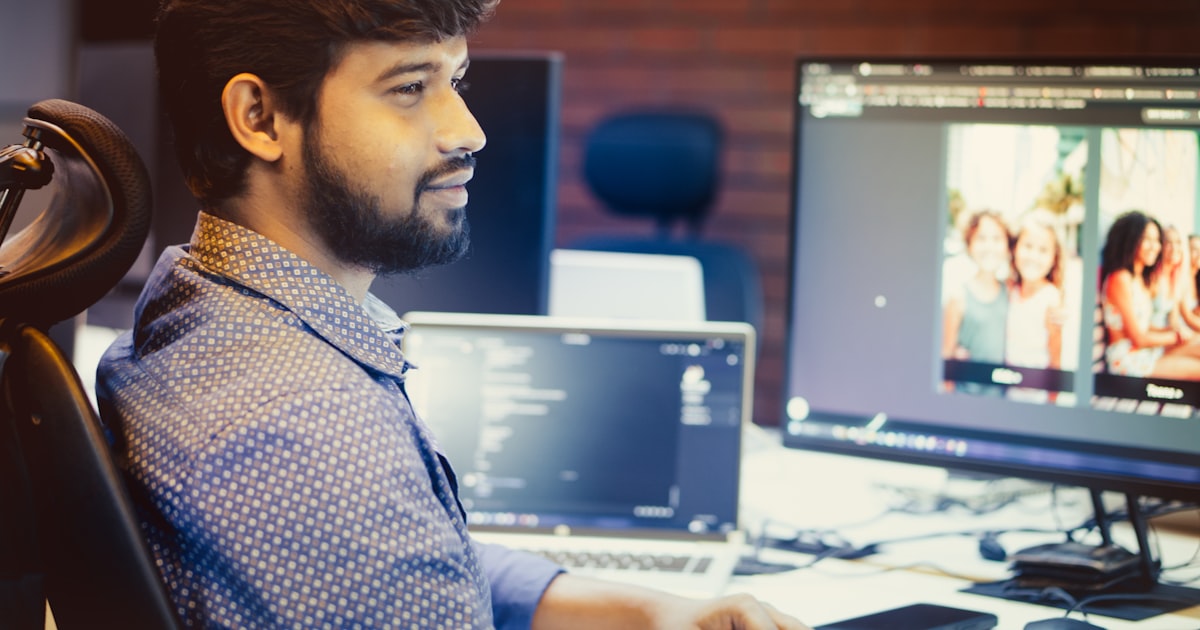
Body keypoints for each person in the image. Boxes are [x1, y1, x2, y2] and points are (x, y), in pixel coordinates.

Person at [94, 1, 808, 628]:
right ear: (260, 117)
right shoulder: (316, 434)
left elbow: (406, 560)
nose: (469, 131)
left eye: (455, 82)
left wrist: (648, 612)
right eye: (410, 88)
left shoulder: (194, 297)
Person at [1099, 210, 1200, 379]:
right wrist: (1176, 336)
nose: (1155, 247)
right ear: (1131, 240)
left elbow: (1144, 326)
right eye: (1147, 239)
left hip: (1147, 354)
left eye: (1157, 240)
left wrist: (1171, 330)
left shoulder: (1138, 279)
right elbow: (1139, 338)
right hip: (1128, 361)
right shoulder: (1120, 279)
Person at [942, 209, 1010, 395]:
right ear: (969, 244)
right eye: (981, 238)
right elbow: (947, 355)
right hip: (965, 397)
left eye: (997, 238)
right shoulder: (958, 296)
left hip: (1001, 399)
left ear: (1007, 245)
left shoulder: (1010, 292)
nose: (989, 246)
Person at [1004, 214, 1064, 402]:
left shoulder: (1050, 299)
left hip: (1034, 396)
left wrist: (1052, 402)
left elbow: (1055, 360)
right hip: (1006, 390)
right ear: (1015, 248)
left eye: (1043, 250)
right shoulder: (1009, 289)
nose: (1033, 256)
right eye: (1028, 246)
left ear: (1054, 257)